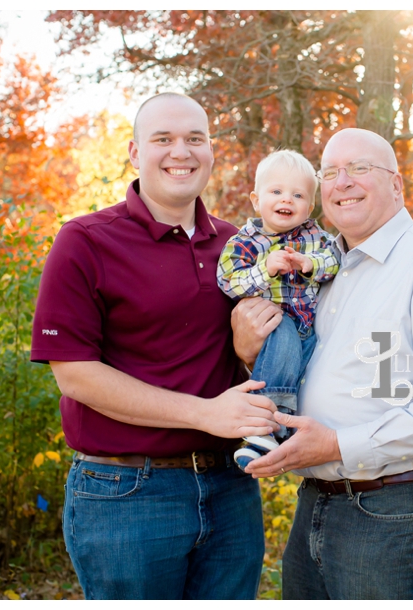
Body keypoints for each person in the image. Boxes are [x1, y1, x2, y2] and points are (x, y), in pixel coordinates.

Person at [30, 92, 280, 600]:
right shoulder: (85, 241)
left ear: (212, 151)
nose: (180, 152)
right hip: (127, 494)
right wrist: (205, 414)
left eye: (195, 139)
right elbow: (74, 374)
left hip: (230, 489)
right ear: (134, 152)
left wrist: (249, 349)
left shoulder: (243, 247)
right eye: (162, 139)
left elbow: (259, 364)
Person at [233, 128, 413, 599]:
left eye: (359, 168)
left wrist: (337, 443)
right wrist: (248, 348)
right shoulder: (321, 273)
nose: (342, 181)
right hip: (314, 502)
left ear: (397, 184)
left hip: (394, 508)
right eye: (329, 172)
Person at [216, 150, 340, 470]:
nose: (287, 199)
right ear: (257, 200)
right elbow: (228, 281)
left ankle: (283, 430)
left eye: (297, 195)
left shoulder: (315, 238)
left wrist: (309, 264)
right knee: (281, 337)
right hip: (273, 320)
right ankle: (264, 425)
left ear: (309, 206)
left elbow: (335, 261)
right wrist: (264, 268)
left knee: (306, 371)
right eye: (276, 192)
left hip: (309, 326)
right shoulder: (245, 242)